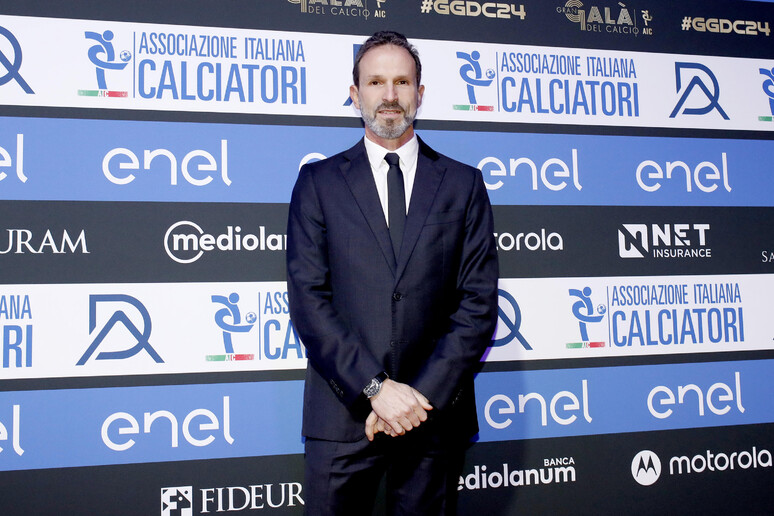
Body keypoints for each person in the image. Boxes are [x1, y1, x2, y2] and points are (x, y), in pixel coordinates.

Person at [286, 30, 499, 515]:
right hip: (341, 417)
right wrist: (376, 390)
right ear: (354, 93)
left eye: (401, 82)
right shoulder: (317, 183)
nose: (389, 95)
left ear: (419, 93)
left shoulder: (463, 184)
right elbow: (309, 301)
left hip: (432, 416)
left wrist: (415, 401)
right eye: (375, 82)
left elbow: (478, 304)